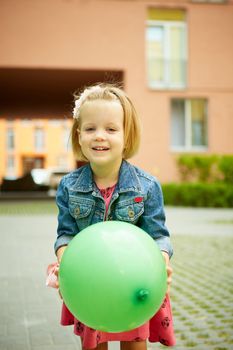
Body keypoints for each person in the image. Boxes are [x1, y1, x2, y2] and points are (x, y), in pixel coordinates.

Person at [47, 83, 175, 350]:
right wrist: (66, 262)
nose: (100, 136)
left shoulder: (147, 186)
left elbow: (158, 235)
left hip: (133, 283)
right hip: (90, 284)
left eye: (111, 129)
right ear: (79, 135)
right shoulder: (69, 186)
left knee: (135, 343)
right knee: (94, 344)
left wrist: (160, 263)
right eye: (91, 128)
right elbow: (66, 234)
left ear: (126, 137)